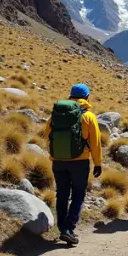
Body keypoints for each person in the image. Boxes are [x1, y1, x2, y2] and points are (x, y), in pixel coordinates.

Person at [46, 83, 102, 245]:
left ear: (71, 95)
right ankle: (69, 229)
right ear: (87, 97)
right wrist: (97, 163)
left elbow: (48, 134)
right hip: (80, 162)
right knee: (78, 194)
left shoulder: (56, 114)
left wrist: (53, 155)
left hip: (58, 161)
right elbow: (96, 142)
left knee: (62, 194)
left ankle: (62, 227)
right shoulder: (88, 116)